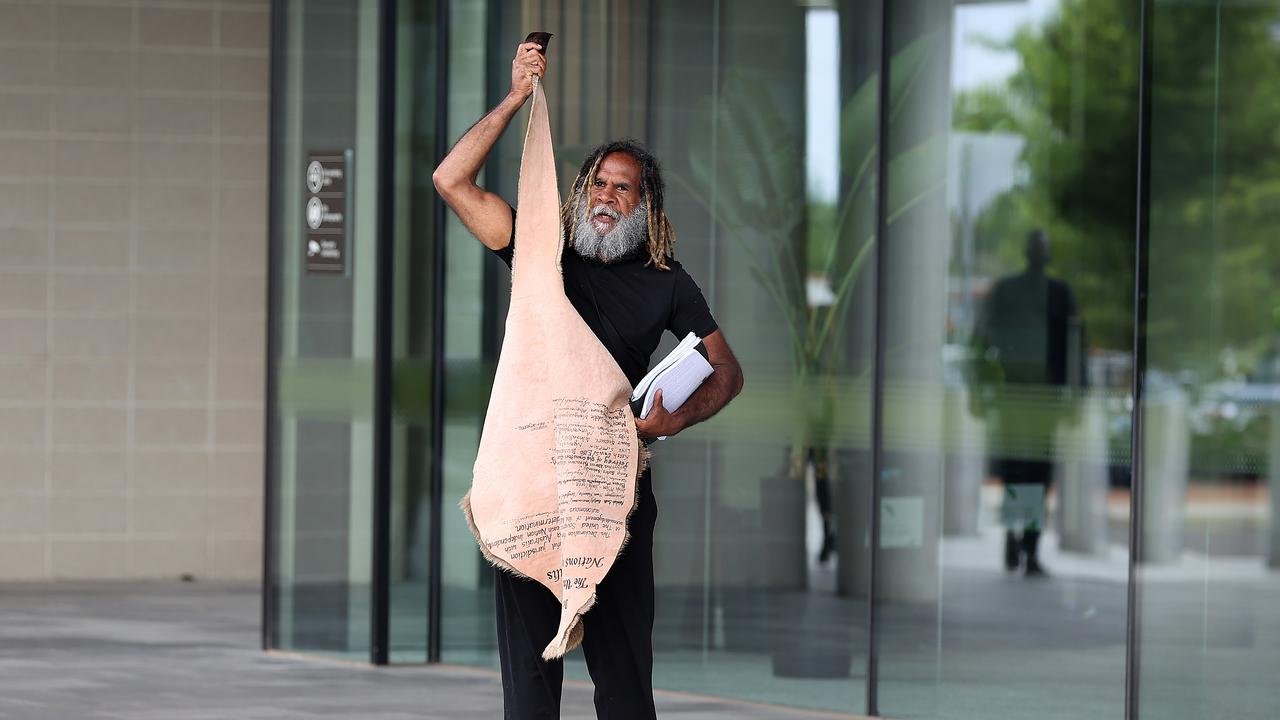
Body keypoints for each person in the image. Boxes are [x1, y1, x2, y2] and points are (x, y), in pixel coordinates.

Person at [432, 40, 745, 719]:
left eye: (622, 186)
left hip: (614, 494)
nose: (606, 195)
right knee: (529, 686)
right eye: (598, 182)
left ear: (645, 203)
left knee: (626, 685)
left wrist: (676, 419)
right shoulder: (542, 250)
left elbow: (728, 372)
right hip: (533, 483)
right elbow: (451, 180)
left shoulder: (667, 282)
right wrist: (516, 98)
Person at [968, 229, 1086, 577]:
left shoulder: (1059, 294)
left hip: (1043, 399)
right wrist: (980, 389)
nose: (1040, 253)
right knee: (1018, 470)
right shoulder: (1007, 291)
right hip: (1014, 395)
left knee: (1035, 472)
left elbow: (1075, 347)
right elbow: (980, 342)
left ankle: (1028, 546)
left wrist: (1075, 396)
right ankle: (1014, 539)